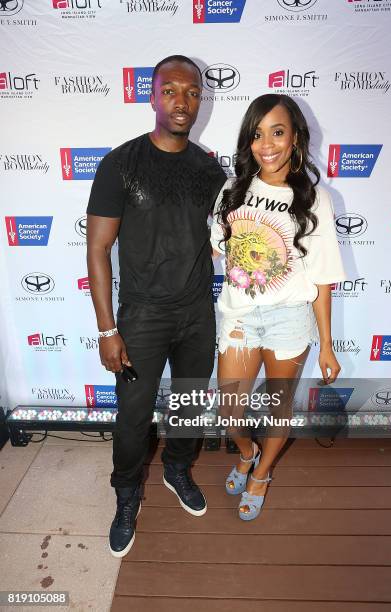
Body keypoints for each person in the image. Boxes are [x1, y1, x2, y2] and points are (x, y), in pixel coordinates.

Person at [86, 55, 227, 557]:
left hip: (196, 314)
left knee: (189, 407)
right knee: (132, 417)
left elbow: (222, 240)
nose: (182, 101)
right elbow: (98, 249)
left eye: (192, 92)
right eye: (171, 91)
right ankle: (126, 496)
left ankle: (175, 470)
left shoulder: (209, 169)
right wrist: (107, 331)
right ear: (152, 96)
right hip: (141, 316)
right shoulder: (120, 164)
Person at [211, 93, 346, 521]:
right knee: (230, 409)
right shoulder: (232, 191)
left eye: (277, 131)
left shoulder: (315, 199)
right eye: (257, 134)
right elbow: (217, 251)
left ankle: (261, 474)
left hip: (290, 319)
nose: (266, 143)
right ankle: (247, 451)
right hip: (239, 316)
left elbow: (323, 279)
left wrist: (326, 345)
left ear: (296, 139)